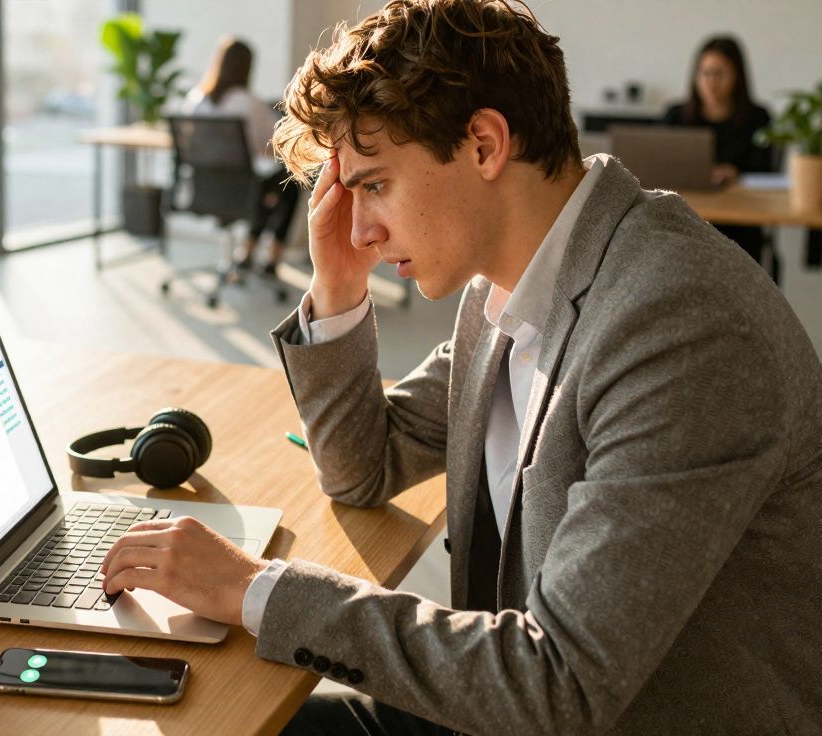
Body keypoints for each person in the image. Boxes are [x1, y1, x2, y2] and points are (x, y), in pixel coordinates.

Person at [98, 1, 822, 733]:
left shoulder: (679, 326)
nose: (360, 227)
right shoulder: (507, 284)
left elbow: (559, 684)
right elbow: (363, 467)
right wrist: (338, 286)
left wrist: (257, 590)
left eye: (374, 185)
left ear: (483, 145)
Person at [182, 37, 300, 277]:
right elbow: (275, 144)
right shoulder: (249, 104)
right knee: (289, 181)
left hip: (202, 190)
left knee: (266, 186)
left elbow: (187, 143)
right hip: (241, 194)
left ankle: (247, 251)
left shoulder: (196, 99)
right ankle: (268, 256)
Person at [663, 36, 777, 282]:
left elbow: (765, 174)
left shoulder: (758, 118)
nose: (710, 82)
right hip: (683, 220)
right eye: (704, 73)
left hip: (739, 226)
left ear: (737, 77)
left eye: (719, 74)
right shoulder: (676, 116)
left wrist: (735, 174)